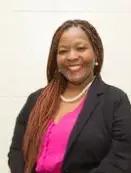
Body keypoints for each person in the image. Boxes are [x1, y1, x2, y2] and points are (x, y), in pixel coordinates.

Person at [8, 19, 131, 173]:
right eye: (63, 51)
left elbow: (121, 159)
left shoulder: (115, 101)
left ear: (96, 54)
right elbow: (16, 151)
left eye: (80, 48)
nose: (71, 56)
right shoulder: (36, 99)